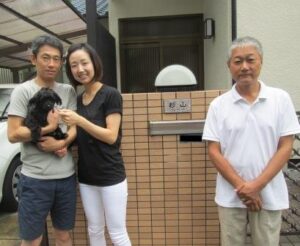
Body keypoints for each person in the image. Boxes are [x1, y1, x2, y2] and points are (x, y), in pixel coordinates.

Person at [202, 36, 300, 246]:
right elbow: (213, 151)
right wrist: (243, 187)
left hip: (269, 193)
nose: (244, 67)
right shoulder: (218, 106)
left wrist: (257, 185)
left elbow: (286, 147)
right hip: (230, 195)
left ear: (260, 61)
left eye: (250, 60)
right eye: (238, 61)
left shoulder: (280, 99)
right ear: (229, 66)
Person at [7, 35, 77, 246]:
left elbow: (74, 129)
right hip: (35, 180)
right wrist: (49, 128)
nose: (51, 64)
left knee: (64, 236)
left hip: (66, 179)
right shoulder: (23, 91)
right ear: (33, 59)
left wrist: (61, 143)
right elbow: (13, 134)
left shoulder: (68, 91)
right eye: (46, 58)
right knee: (32, 240)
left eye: (57, 59)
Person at [59, 43, 131, 246]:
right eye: (74, 65)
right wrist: (66, 144)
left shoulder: (111, 94)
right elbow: (80, 135)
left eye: (84, 63)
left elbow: (110, 136)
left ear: (94, 64)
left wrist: (79, 120)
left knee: (117, 234)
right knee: (94, 229)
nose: (80, 69)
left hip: (111, 175)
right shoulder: (78, 99)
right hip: (86, 177)